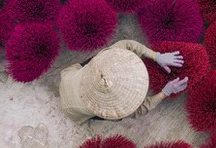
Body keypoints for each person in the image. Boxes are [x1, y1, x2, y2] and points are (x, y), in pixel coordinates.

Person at [59, 39, 188, 124]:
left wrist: (156, 56)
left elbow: (127, 45)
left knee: (95, 60)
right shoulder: (114, 110)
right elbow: (140, 110)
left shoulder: (105, 56)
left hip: (67, 79)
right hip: (73, 112)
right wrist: (165, 92)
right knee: (117, 117)